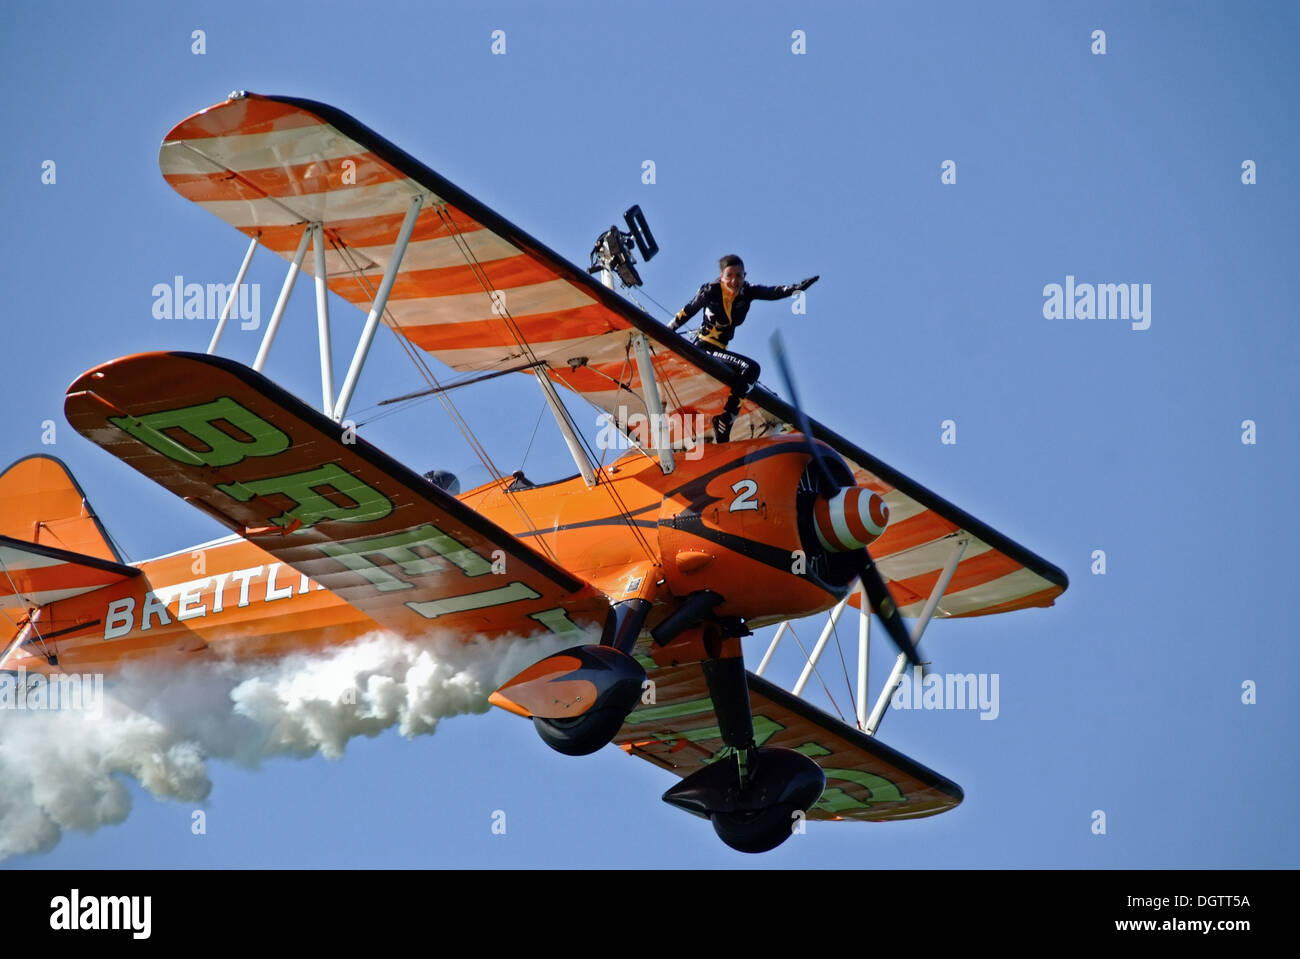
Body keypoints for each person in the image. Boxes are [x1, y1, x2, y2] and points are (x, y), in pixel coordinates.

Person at [669, 255, 818, 443]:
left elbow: (772, 292)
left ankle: (724, 423)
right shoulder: (710, 290)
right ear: (721, 276)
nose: (734, 280)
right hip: (703, 349)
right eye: (729, 275)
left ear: (745, 275)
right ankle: (725, 421)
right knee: (751, 369)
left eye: (739, 275)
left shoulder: (747, 291)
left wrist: (796, 289)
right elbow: (686, 312)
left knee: (747, 377)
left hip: (720, 352)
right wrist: (662, 333)